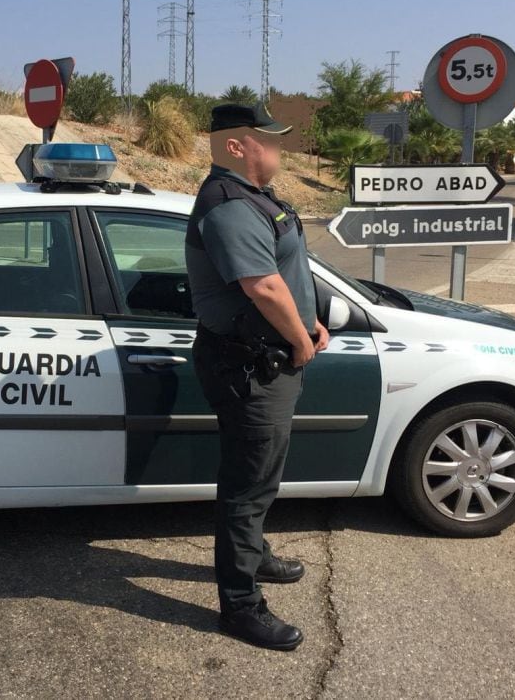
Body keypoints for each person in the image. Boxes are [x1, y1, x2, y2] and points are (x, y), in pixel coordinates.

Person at [185, 102, 329, 651]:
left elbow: (285, 273)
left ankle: (255, 555)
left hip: (266, 357)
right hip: (250, 364)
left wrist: (309, 321)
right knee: (246, 487)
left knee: (263, 473)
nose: (279, 148)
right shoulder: (228, 205)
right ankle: (240, 605)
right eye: (268, 140)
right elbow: (263, 287)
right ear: (237, 146)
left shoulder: (254, 199)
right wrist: (298, 339)